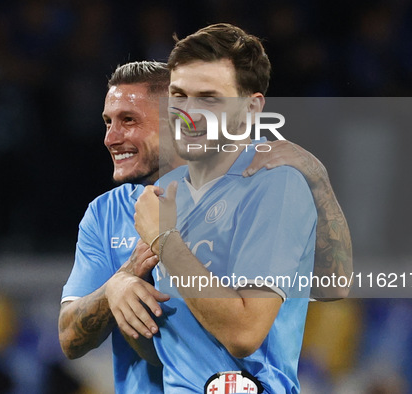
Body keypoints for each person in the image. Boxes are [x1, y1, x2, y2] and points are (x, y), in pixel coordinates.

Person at [58, 59, 352, 392]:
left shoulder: (251, 189)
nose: (111, 137)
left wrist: (317, 178)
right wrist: (115, 287)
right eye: (108, 122)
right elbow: (69, 338)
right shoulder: (104, 213)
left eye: (129, 120)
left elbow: (332, 285)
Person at [130, 23, 321, 393]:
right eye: (179, 95)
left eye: (209, 98)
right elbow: (170, 348)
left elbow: (244, 332)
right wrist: (123, 289)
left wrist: (164, 241)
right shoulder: (166, 194)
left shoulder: (275, 185)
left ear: (252, 108)